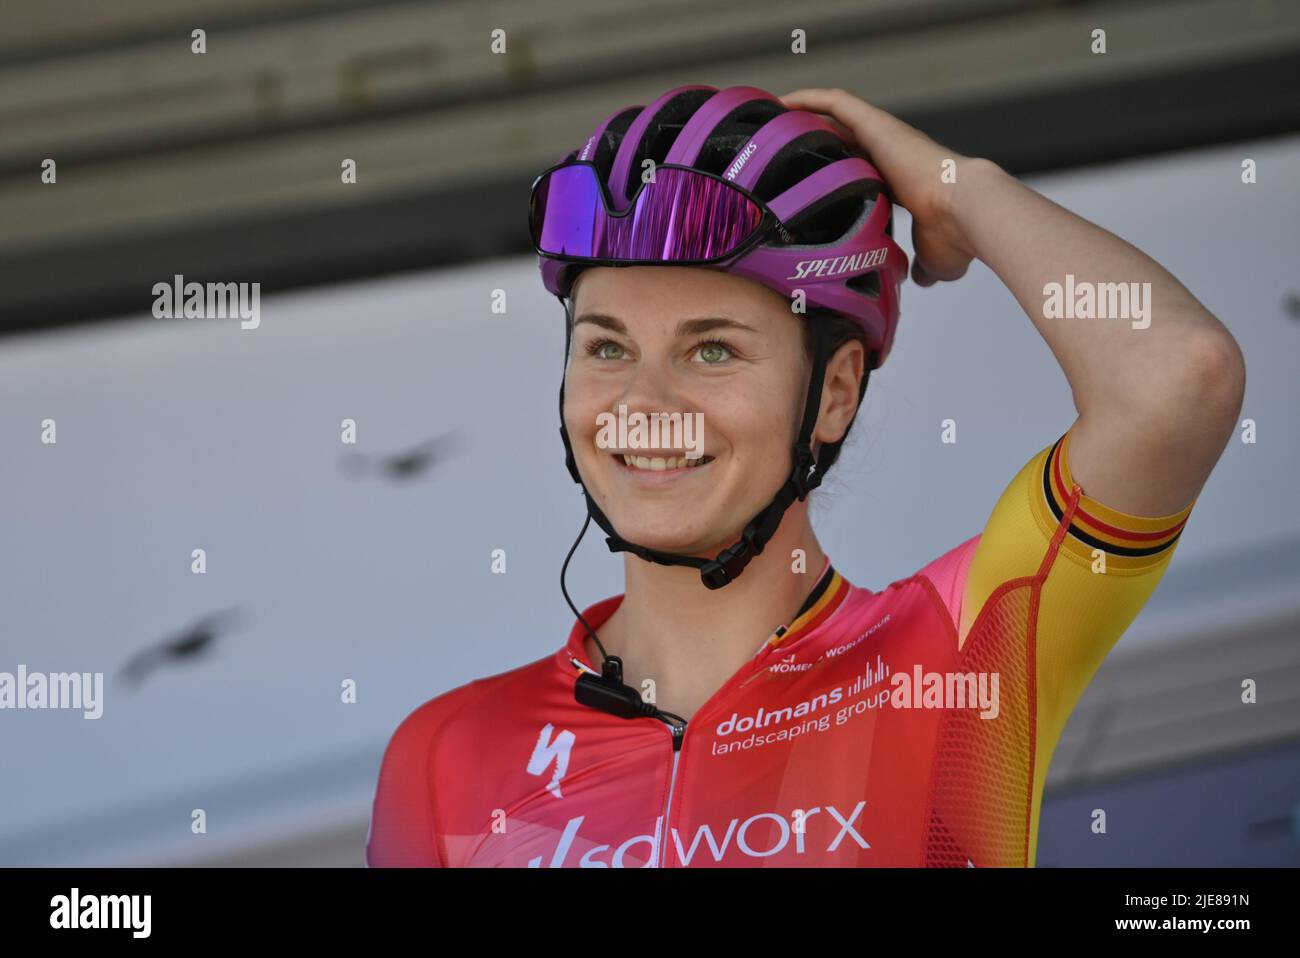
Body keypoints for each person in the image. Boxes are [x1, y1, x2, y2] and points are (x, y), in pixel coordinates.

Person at [365, 84, 1244, 867]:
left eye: (712, 349)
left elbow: (1179, 378)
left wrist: (955, 191)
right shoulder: (446, 753)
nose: (644, 401)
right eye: (606, 346)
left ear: (834, 393)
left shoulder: (958, 654)